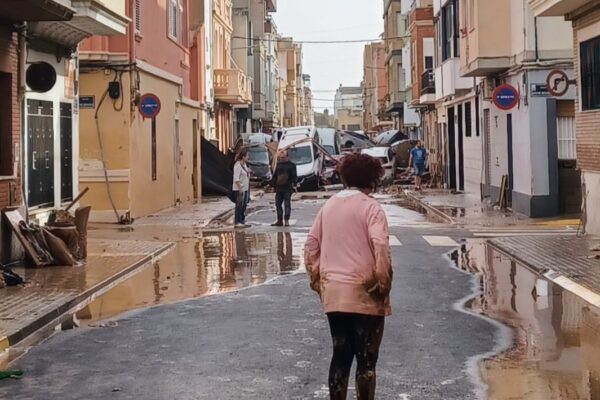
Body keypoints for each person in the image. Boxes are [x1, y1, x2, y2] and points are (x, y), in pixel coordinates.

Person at [304, 153, 393, 400]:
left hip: (334, 294)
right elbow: (381, 246)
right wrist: (382, 281)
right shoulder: (371, 207)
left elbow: (311, 245)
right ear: (372, 180)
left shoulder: (329, 205)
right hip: (365, 292)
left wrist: (318, 279)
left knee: (340, 355)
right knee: (366, 361)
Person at [271, 150, 297, 227]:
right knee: (278, 204)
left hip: (287, 188)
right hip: (279, 188)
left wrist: (294, 185)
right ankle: (279, 220)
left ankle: (286, 220)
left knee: (287, 204)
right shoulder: (278, 165)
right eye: (281, 157)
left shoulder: (291, 165)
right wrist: (273, 185)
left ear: (287, 157)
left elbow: (294, 176)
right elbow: (275, 176)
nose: (282, 159)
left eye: (283, 157)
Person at [232, 149, 250, 228]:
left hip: (246, 188)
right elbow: (236, 178)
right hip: (240, 189)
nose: (248, 157)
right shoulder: (237, 165)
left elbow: (245, 174)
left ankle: (242, 221)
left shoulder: (245, 165)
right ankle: (237, 221)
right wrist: (240, 188)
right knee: (239, 205)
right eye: (247, 156)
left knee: (244, 205)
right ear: (243, 157)